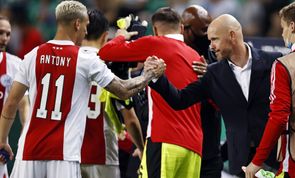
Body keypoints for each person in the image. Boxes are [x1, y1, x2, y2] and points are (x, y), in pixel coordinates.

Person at [0, 1, 165, 178]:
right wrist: (148, 75)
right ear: (77, 24)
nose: (86, 31)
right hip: (64, 155)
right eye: (86, 25)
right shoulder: (85, 60)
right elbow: (123, 90)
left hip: (28, 152)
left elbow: (10, 104)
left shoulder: (32, 55)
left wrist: (2, 140)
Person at [148, 14, 282, 177]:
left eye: (214, 39)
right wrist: (157, 77)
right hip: (241, 163)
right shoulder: (213, 74)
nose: (211, 46)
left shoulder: (274, 62)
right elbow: (180, 100)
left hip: (275, 158)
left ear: (232, 35)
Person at [99, 7, 203, 178]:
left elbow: (105, 53)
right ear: (182, 28)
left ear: (155, 30)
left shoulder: (154, 43)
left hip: (165, 140)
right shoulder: (196, 56)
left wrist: (121, 36)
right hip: (194, 147)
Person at [243, 1, 295, 178]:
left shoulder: (283, 65)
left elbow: (279, 116)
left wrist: (256, 161)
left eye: (283, 27)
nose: (282, 32)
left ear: (292, 26)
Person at [79, 9, 144, 178]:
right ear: (105, 36)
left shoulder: (68, 61)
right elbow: (130, 119)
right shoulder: (113, 65)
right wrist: (142, 148)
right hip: (103, 155)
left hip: (68, 153)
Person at [182, 5, 223, 178]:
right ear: (184, 29)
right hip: (182, 144)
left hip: (209, 147)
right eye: (203, 30)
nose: (206, 36)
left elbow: (230, 96)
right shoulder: (173, 54)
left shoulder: (216, 53)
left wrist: (211, 75)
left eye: (208, 29)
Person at [0, 15, 29, 178]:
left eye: (8, 34)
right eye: (0, 33)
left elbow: (24, 104)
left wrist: (25, 130)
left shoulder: (15, 64)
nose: (4, 38)